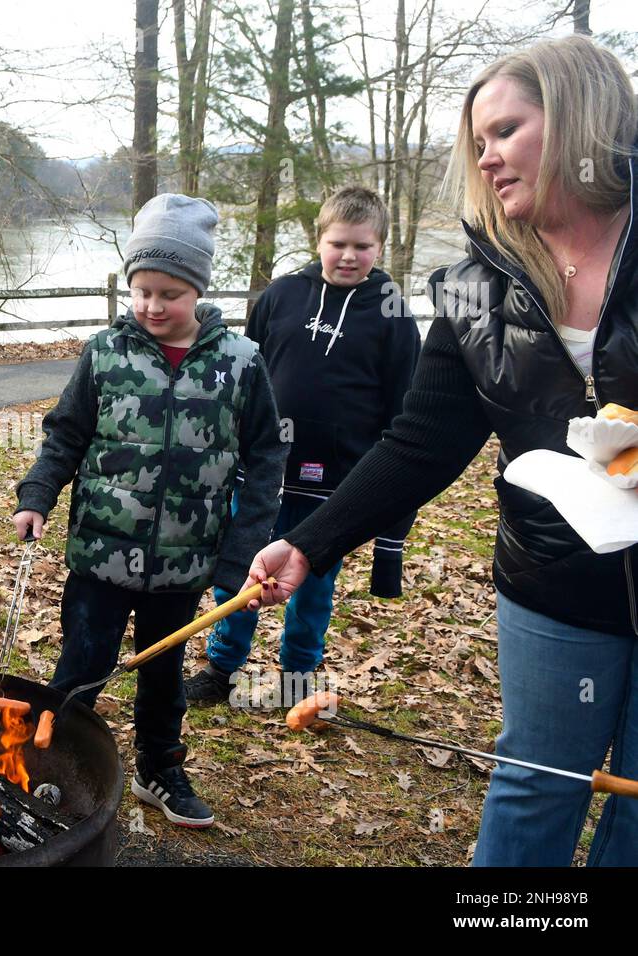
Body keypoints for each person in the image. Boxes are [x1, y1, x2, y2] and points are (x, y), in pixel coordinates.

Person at [244, 36, 637, 866]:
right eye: (478, 143)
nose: (487, 158)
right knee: (537, 779)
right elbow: (419, 443)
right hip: (552, 580)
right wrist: (310, 544)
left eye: (505, 131)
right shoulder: (472, 290)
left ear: (579, 116)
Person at [12, 194, 287, 827]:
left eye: (169, 293)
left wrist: (240, 551)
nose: (153, 307)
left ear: (197, 289)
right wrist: (36, 497)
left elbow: (267, 457)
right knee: (81, 667)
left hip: (184, 564)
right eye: (141, 291)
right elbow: (65, 435)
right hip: (99, 556)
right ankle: (44, 766)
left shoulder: (241, 364)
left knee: (163, 676)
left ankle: (158, 768)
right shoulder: (105, 352)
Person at [186, 186, 421, 705]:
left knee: (311, 587)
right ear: (319, 239)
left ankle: (297, 679)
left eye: (362, 246)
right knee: (241, 573)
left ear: (379, 247)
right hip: (263, 471)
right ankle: (222, 669)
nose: (348, 256)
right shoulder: (281, 295)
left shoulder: (393, 313)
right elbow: (249, 376)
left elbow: (403, 405)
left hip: (337, 481)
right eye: (338, 243)